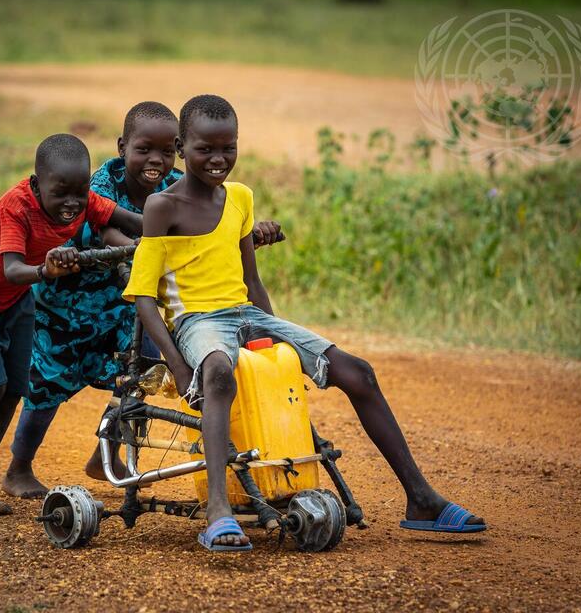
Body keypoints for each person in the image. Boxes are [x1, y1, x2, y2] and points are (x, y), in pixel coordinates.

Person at [124, 94, 486, 551]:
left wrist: (282, 347)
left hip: (245, 315)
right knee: (218, 372)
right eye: (205, 149)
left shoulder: (240, 198)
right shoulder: (162, 207)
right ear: (181, 147)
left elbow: (251, 282)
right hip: (196, 321)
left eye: (228, 148)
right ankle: (217, 511)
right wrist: (178, 366)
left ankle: (422, 501)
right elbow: (142, 295)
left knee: (359, 372)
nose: (219, 159)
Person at [1, 102, 282, 499]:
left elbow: (208, 223)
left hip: (124, 306)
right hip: (64, 307)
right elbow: (105, 232)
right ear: (122, 148)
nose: (157, 160)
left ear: (179, 149)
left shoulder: (178, 185)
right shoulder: (100, 185)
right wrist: (148, 248)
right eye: (144, 150)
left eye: (167, 152)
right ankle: (19, 467)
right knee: (47, 385)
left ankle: (107, 452)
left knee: (143, 368)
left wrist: (252, 230)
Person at [0, 133, 140, 516]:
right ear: (37, 182)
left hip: (16, 302)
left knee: (13, 390)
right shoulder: (18, 207)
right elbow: (11, 270)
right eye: (60, 192)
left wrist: (185, 231)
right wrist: (46, 269)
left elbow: (128, 219)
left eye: (80, 191)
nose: (72, 203)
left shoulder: (83, 201)